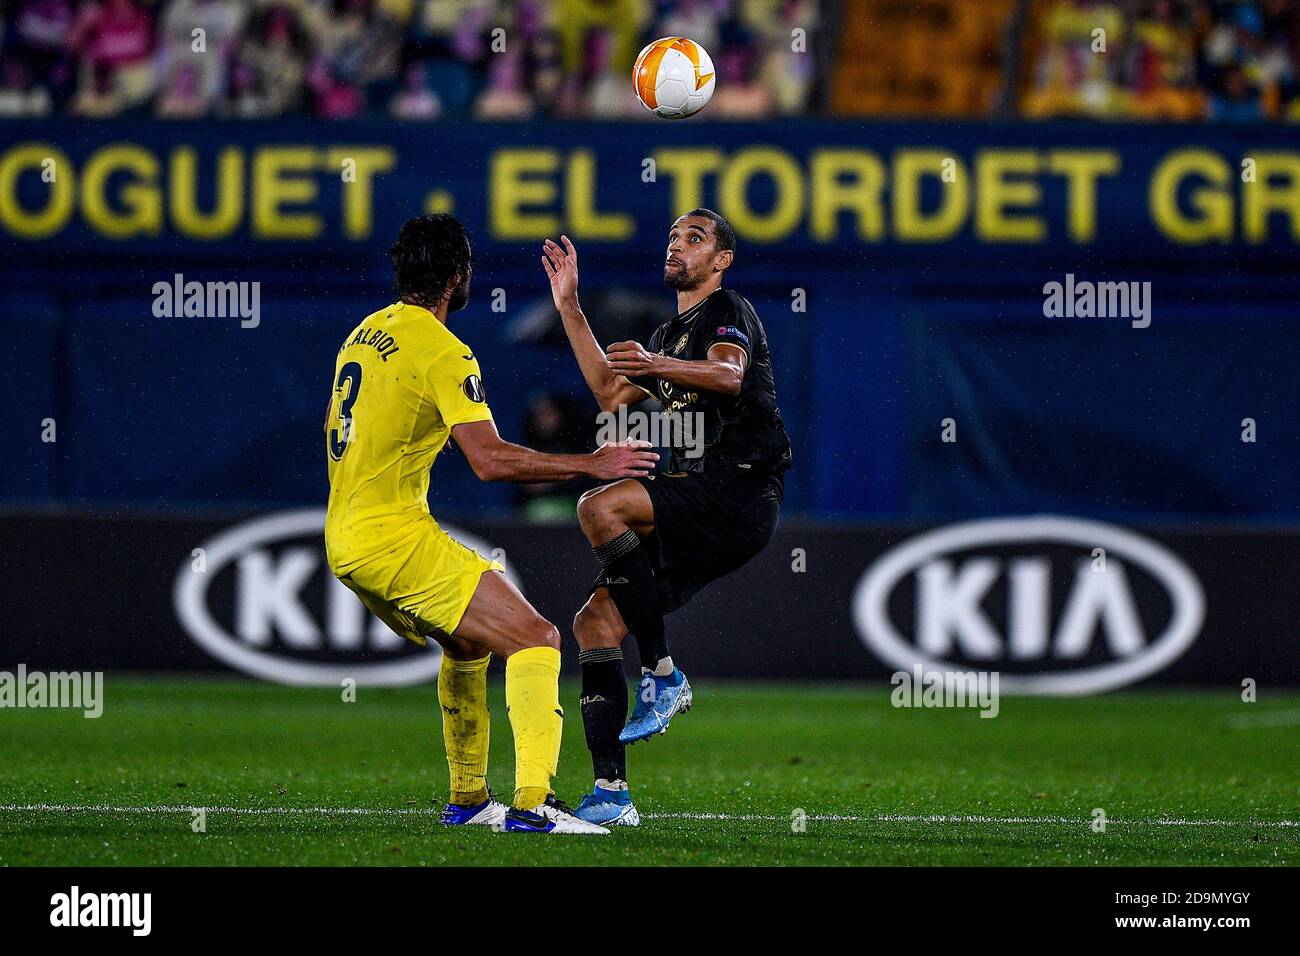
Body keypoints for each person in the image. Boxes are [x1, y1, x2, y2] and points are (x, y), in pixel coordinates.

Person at [325, 214, 657, 835]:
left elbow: (367, 423)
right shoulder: (445, 351)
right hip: (391, 537)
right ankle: (534, 805)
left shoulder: (365, 333)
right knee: (536, 637)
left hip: (346, 534)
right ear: (457, 279)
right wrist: (594, 463)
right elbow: (491, 460)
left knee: (469, 643)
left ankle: (470, 799)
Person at [540, 209, 792, 826]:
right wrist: (570, 305)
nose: (678, 245)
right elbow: (607, 391)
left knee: (601, 505)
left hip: (739, 491)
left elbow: (729, 378)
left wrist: (658, 369)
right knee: (594, 625)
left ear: (721, 260)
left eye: (695, 238)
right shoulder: (666, 336)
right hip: (700, 498)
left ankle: (661, 672)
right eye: (674, 234)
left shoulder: (727, 312)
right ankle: (611, 796)